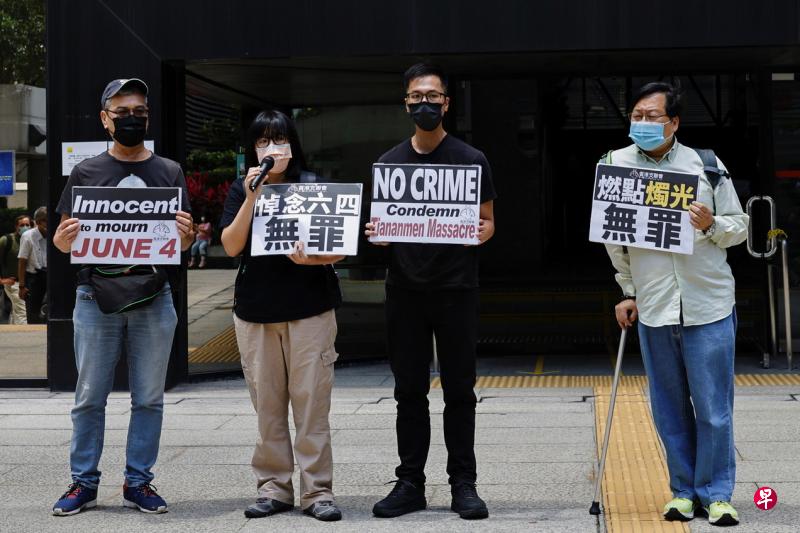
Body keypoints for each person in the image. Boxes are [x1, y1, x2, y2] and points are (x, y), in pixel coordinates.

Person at [604, 81, 748, 526]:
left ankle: (718, 493)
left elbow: (739, 226)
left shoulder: (704, 165)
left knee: (713, 409)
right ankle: (683, 492)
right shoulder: (614, 166)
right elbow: (616, 242)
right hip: (654, 306)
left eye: (653, 117)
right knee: (669, 409)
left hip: (708, 303)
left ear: (674, 122)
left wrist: (709, 224)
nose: (643, 123)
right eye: (637, 116)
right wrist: (627, 292)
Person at [51, 78, 194, 516]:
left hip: (154, 296)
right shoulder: (86, 172)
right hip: (95, 297)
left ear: (147, 117)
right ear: (105, 119)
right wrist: (61, 239)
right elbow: (64, 242)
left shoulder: (169, 171)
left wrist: (186, 238)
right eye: (122, 112)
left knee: (149, 397)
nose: (132, 118)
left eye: (139, 112)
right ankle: (83, 482)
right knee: (89, 396)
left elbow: (179, 243)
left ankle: (139, 482)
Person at [365, 63, 496, 520]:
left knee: (460, 391)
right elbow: (378, 228)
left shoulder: (472, 160)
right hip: (405, 291)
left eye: (433, 96)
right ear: (406, 103)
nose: (425, 103)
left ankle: (464, 483)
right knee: (409, 392)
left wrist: (482, 232)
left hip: (458, 290)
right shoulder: (388, 164)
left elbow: (488, 223)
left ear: (446, 103)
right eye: (417, 96)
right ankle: (410, 482)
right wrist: (378, 234)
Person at [220, 109, 344, 522]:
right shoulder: (243, 190)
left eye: (278, 141)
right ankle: (274, 487)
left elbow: (338, 249)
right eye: (262, 142)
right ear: (252, 149)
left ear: (292, 145)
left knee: (312, 405)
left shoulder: (314, 187)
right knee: (267, 407)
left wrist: (313, 260)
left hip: (310, 310)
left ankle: (317, 491)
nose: (271, 149)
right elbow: (231, 245)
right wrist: (253, 195)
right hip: (256, 312)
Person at [18, 207, 48, 323]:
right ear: (39, 222)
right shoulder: (28, 236)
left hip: (50, 276)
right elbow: (22, 261)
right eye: (45, 220)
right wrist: (22, 286)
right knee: (33, 312)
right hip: (34, 278)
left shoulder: (55, 234)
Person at [0, 214, 30, 324]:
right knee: (23, 313)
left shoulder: (30, 239)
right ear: (16, 226)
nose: (25, 227)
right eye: (22, 225)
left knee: (17, 311)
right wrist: (2, 281)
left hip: (28, 283)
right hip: (14, 283)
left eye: (28, 225)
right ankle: (26, 337)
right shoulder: (6, 240)